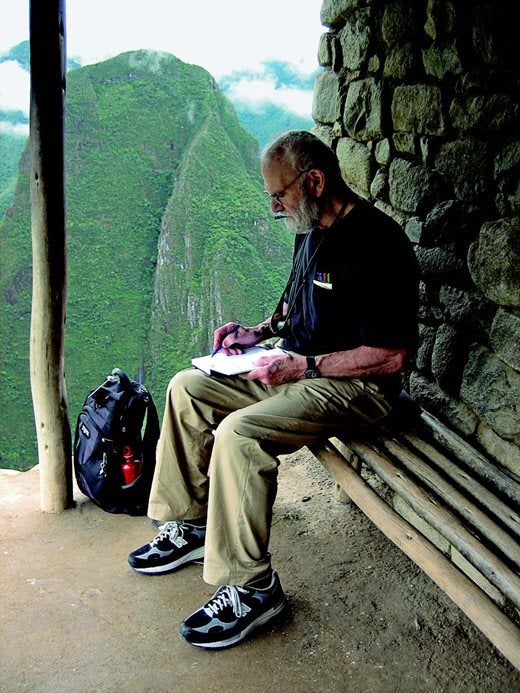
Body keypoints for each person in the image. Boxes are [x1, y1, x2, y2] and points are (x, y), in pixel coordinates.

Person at [128, 130, 419, 650]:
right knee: (186, 388)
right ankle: (190, 524)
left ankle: (253, 587)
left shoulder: (379, 244)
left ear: (313, 181)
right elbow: (296, 305)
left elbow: (392, 355)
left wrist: (304, 365)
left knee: (240, 434)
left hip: (357, 387)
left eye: (280, 194)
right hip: (296, 368)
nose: (274, 205)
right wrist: (257, 333)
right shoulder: (310, 228)